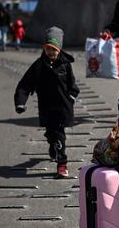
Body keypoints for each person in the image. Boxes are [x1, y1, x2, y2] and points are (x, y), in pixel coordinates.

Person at [14, 27, 80, 178]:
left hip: (63, 108)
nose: (51, 52)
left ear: (59, 49)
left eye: (54, 49)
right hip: (46, 107)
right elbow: (25, 84)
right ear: (44, 48)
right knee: (52, 134)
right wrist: (20, 102)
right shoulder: (38, 65)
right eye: (48, 49)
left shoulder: (65, 65)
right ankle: (52, 144)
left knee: (59, 135)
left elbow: (73, 86)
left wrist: (71, 98)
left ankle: (62, 164)